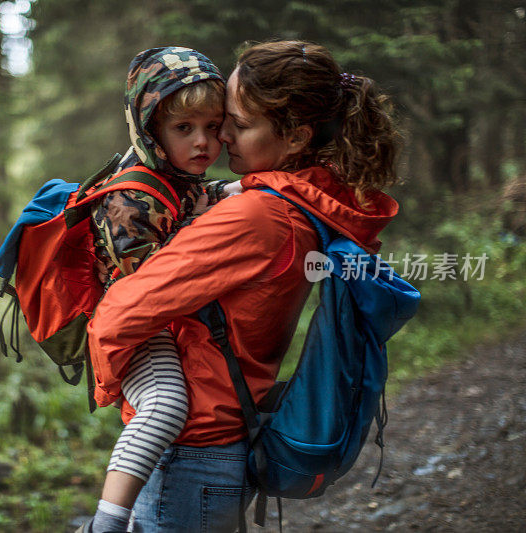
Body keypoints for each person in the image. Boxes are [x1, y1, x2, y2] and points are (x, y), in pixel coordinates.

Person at [87, 40, 401, 532]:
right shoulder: (306, 203)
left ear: (296, 137)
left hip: (191, 447)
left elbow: (119, 313)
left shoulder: (257, 214)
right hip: (225, 437)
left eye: (236, 123)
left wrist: (120, 387)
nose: (222, 137)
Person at [82, 47, 241, 533]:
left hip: (157, 318)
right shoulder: (130, 198)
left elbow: (202, 193)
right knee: (166, 404)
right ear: (150, 130)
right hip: (134, 324)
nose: (203, 143)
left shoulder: (175, 176)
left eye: (213, 127)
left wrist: (245, 191)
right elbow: (149, 287)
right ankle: (106, 522)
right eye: (184, 128)